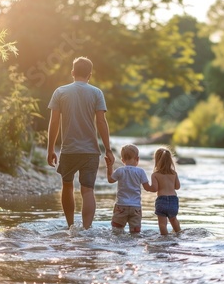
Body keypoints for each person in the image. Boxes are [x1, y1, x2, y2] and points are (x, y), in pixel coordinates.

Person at [47, 56, 115, 230]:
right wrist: (108, 149)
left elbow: (54, 122)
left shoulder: (60, 92)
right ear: (89, 75)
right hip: (90, 151)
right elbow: (101, 122)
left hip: (69, 150)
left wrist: (50, 149)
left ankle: (70, 227)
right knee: (87, 190)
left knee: (67, 186)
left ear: (72, 72)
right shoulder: (96, 93)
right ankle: (86, 229)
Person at [105, 144, 154, 234]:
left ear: (122, 160)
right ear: (137, 159)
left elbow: (110, 180)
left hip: (121, 206)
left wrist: (109, 166)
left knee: (117, 232)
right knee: (135, 233)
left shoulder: (120, 170)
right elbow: (148, 188)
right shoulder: (141, 171)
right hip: (136, 207)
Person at [150, 147, 181, 235]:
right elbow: (177, 187)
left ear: (156, 160)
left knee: (162, 224)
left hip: (161, 200)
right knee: (174, 220)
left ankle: (165, 240)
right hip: (173, 200)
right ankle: (179, 235)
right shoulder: (174, 173)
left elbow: (154, 188)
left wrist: (147, 187)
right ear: (170, 160)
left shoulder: (155, 175)